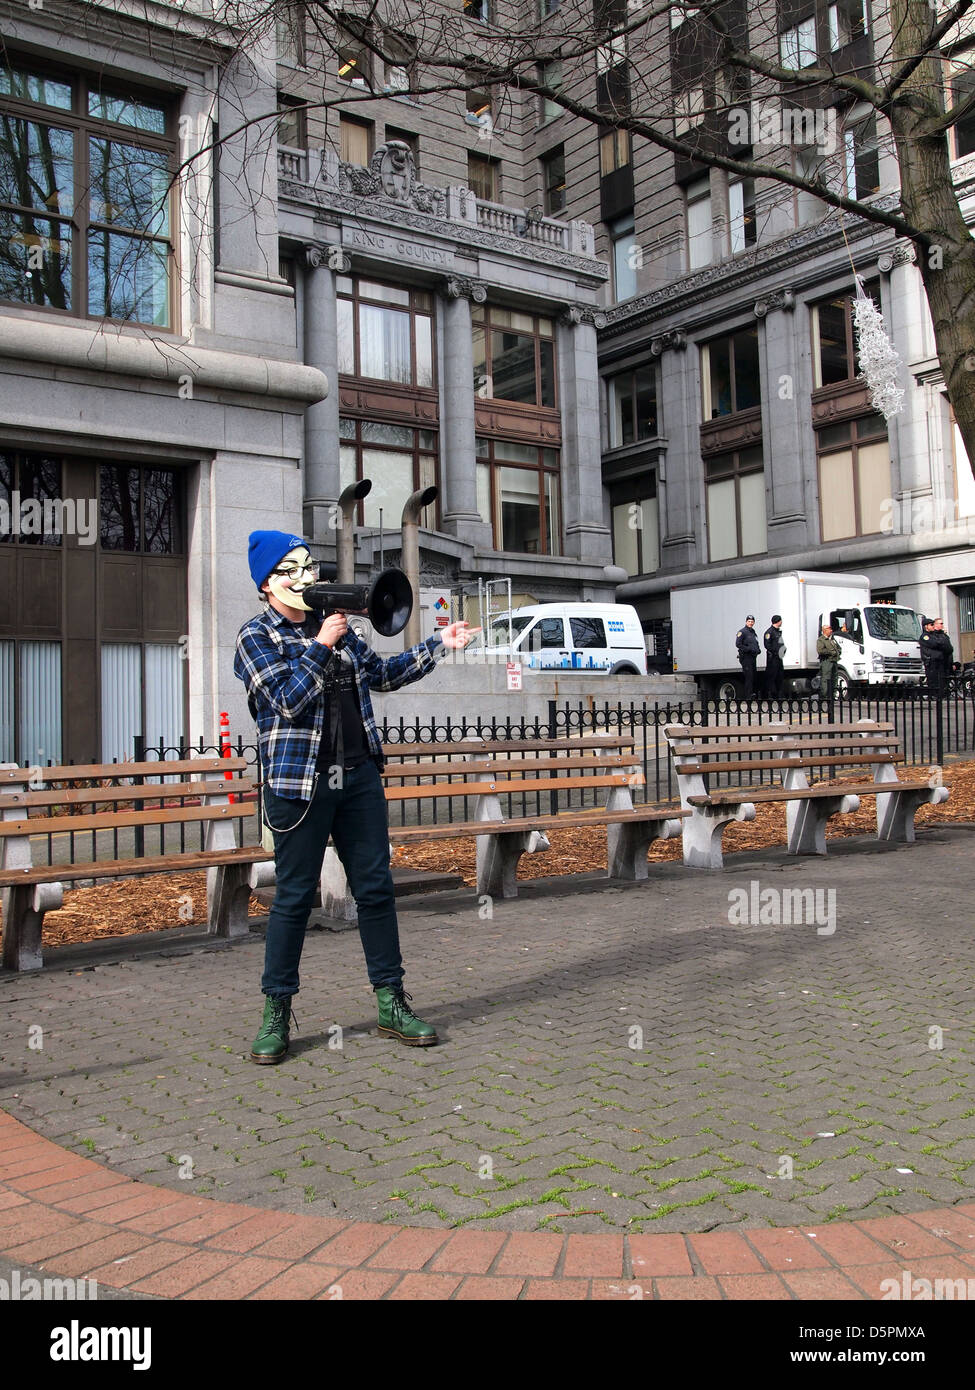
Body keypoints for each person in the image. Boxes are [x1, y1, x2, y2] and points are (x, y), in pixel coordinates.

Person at [234, 530, 479, 1064]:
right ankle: (276, 1011)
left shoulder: (341, 634)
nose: (306, 578)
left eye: (309, 567)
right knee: (295, 896)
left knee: (375, 888)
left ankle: (391, 1001)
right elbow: (287, 700)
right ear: (267, 583)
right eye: (291, 570)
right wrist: (321, 643)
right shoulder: (257, 637)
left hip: (359, 776)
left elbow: (384, 675)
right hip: (299, 783)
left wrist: (439, 644)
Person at [922, 616, 954, 697]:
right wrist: (941, 643)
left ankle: (941, 695)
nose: (933, 626)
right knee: (933, 681)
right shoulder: (925, 636)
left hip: (940, 662)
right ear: (926, 627)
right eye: (931, 625)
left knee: (942, 681)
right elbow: (934, 644)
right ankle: (934, 695)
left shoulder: (939, 635)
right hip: (931, 662)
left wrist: (940, 642)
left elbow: (948, 648)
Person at [735, 615, 760, 699]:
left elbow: (755, 643)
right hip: (746, 657)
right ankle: (748, 696)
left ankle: (752, 694)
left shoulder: (753, 632)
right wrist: (748, 649)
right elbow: (738, 644)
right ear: (746, 622)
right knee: (749, 676)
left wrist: (758, 649)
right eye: (749, 621)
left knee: (753, 676)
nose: (750, 623)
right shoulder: (742, 632)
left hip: (753, 657)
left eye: (752, 621)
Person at [817, 624, 841, 703]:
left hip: (834, 661)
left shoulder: (832, 639)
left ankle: (832, 695)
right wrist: (831, 652)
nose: (831, 630)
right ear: (825, 630)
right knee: (826, 678)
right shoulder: (821, 640)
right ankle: (825, 695)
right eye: (829, 629)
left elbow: (838, 648)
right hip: (827, 661)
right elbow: (820, 651)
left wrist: (838, 652)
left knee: (834, 678)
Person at [763, 614, 786, 700]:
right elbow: (767, 645)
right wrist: (775, 651)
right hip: (772, 658)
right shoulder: (769, 632)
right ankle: (770, 695)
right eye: (781, 620)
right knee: (772, 676)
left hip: (779, 658)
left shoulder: (777, 632)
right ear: (778, 621)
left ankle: (779, 695)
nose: (782, 622)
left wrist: (783, 650)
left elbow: (780, 643)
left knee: (780, 676)